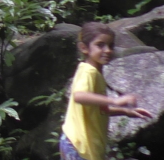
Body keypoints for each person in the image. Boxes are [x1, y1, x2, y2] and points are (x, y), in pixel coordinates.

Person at [59, 22, 153, 160]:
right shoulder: (88, 71)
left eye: (110, 45)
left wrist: (125, 112)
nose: (108, 50)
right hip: (79, 144)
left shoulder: (96, 73)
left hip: (83, 145)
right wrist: (115, 100)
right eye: (100, 45)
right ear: (84, 48)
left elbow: (100, 109)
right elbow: (79, 96)